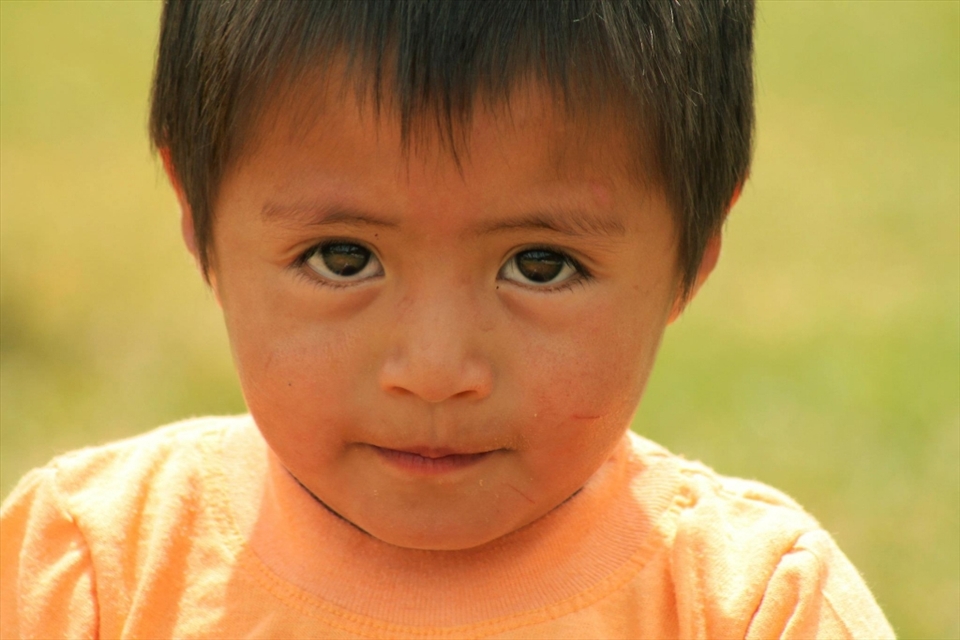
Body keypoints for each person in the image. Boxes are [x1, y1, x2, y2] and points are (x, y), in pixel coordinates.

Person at [0, 1, 894, 638]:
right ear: (197, 214)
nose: (434, 370)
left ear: (693, 253)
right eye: (342, 257)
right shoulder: (87, 578)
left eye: (540, 265)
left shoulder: (752, 609)